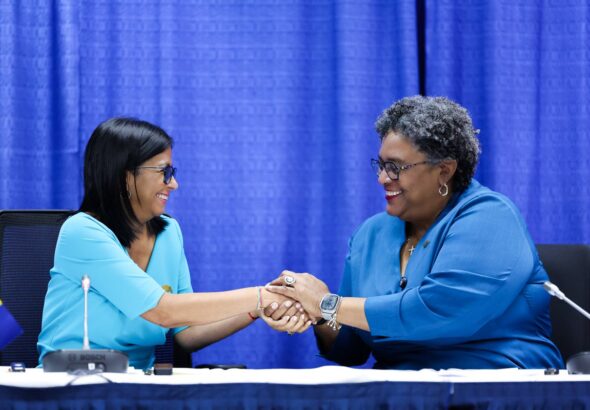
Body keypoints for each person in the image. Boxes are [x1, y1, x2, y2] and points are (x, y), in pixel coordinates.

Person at [267, 96, 564, 370]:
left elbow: (436, 313)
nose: (383, 178)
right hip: (399, 392)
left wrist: (327, 303)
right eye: (381, 166)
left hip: (499, 387)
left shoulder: (491, 217)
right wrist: (317, 314)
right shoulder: (370, 234)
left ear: (444, 171)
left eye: (396, 167)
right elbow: (350, 349)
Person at [37, 118, 311, 370]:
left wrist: (256, 310)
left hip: (139, 387)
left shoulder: (169, 231)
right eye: (163, 172)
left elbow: (186, 333)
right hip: (70, 384)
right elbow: (163, 310)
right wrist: (262, 295)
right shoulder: (82, 232)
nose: (174, 184)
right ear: (125, 176)